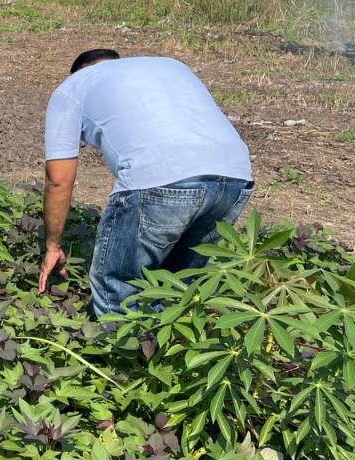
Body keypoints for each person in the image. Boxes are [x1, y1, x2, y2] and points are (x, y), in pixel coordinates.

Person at [37, 49, 253, 321]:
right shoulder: (170, 66)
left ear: (78, 72)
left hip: (161, 177)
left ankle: (119, 357)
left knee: (117, 288)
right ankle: (168, 355)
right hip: (234, 175)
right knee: (176, 288)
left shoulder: (71, 89)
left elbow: (57, 180)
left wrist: (53, 246)